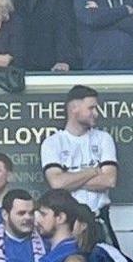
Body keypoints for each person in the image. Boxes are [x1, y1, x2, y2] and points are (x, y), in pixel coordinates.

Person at [43, 86, 121, 242]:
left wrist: (70, 179)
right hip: (67, 224)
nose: (96, 113)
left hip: (98, 220)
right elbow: (57, 183)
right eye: (91, 108)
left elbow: (109, 180)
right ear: (74, 108)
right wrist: (92, 171)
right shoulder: (52, 142)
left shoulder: (103, 138)